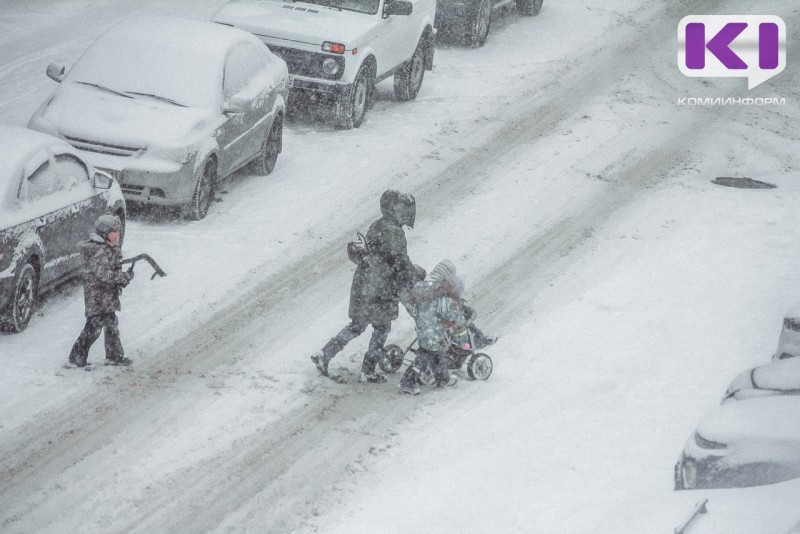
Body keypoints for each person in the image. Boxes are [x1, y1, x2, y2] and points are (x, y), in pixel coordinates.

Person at [312, 190, 418, 383]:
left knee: (358, 325)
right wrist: (415, 274)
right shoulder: (395, 233)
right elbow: (400, 261)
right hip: (381, 287)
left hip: (365, 282)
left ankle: (325, 354)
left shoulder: (377, 225)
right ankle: (368, 370)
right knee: (382, 327)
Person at [67, 215, 134, 368]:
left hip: (106, 296)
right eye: (113, 232)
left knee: (111, 324)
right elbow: (104, 275)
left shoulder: (107, 248)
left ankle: (114, 357)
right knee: (93, 327)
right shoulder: (99, 251)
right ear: (104, 233)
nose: (117, 235)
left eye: (118, 232)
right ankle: (75, 358)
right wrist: (123, 277)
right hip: (97, 296)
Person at [399, 259, 464, 395]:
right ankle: (408, 381)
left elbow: (413, 303)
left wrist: (420, 316)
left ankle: (443, 378)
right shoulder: (441, 289)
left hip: (423, 325)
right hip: (434, 326)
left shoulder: (421, 285)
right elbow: (446, 311)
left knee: (436, 352)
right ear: (447, 275)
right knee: (425, 355)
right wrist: (457, 316)